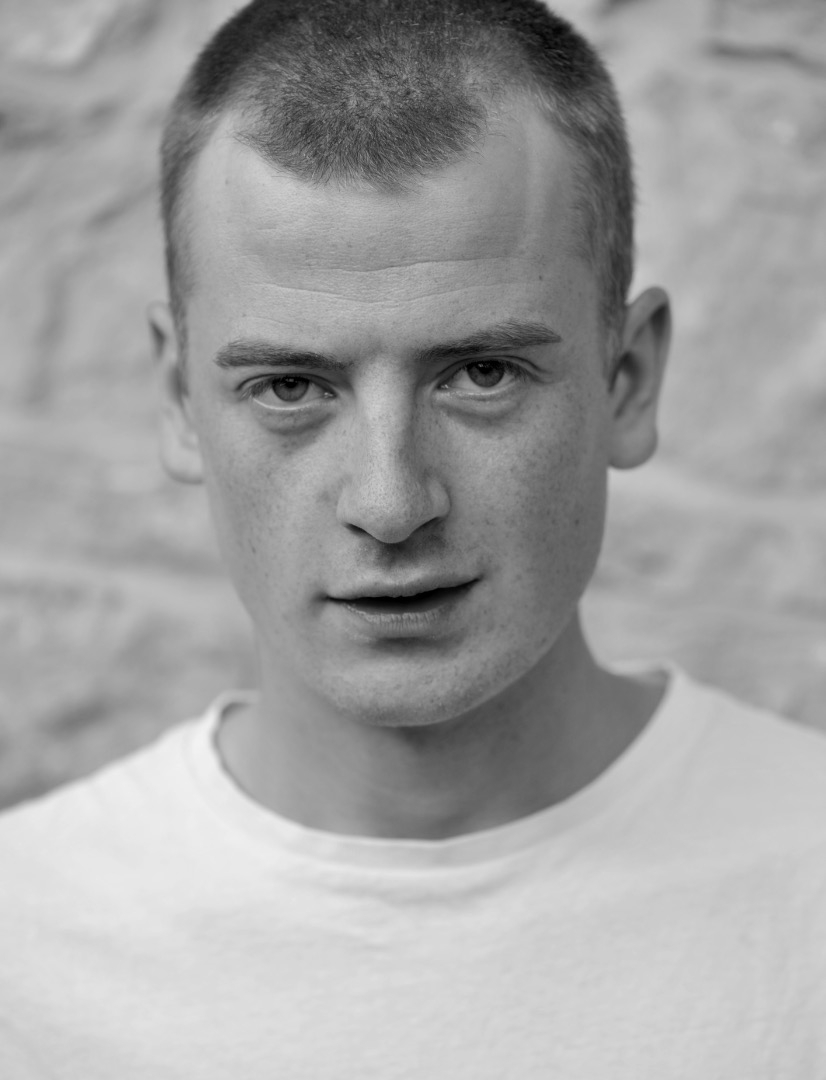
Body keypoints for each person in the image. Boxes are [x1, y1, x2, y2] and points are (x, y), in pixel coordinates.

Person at [1, 0, 825, 1074]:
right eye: (290, 386)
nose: (390, 505)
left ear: (627, 379)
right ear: (177, 399)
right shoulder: (27, 953)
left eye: (482, 374)